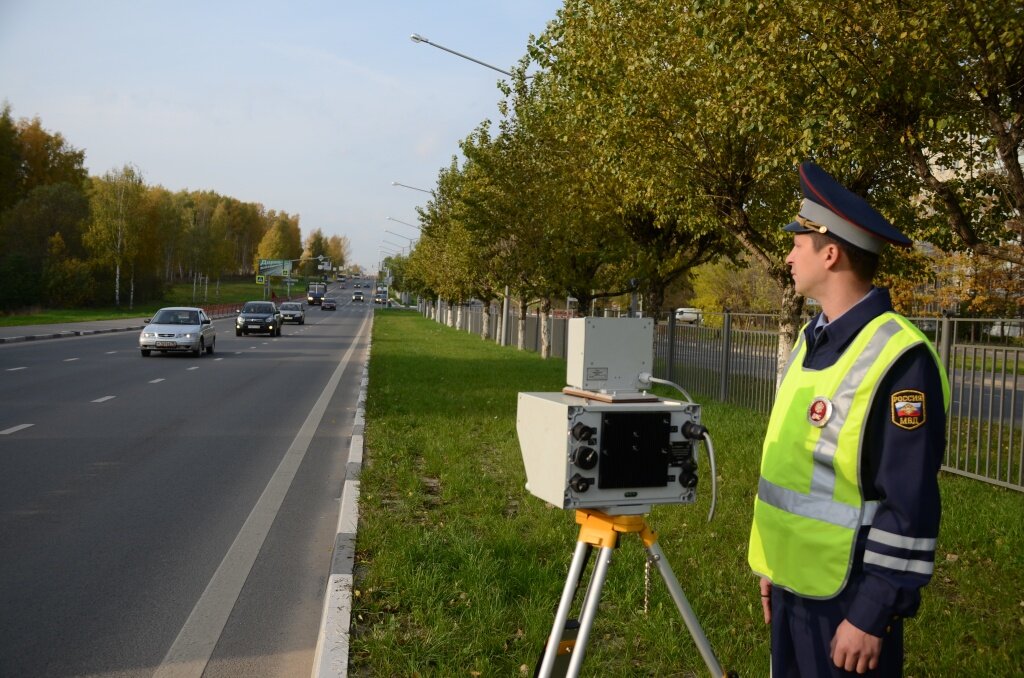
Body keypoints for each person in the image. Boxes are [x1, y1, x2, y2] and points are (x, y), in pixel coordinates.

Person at [747, 161, 950, 677]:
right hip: (796, 588)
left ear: (830, 252)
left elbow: (910, 505)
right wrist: (777, 567)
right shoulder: (810, 340)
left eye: (797, 242)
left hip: (849, 605)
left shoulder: (901, 357)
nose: (788, 254)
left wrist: (871, 614)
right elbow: (798, 475)